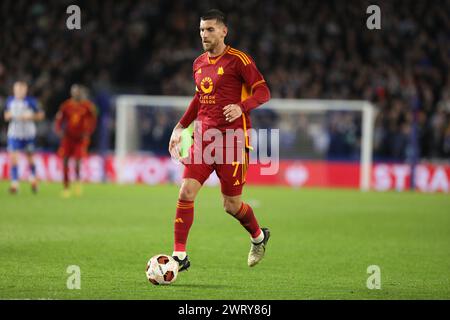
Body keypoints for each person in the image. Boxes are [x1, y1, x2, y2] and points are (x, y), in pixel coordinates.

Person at [168, 9, 271, 271]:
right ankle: (180, 257)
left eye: (210, 29)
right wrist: (180, 127)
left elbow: (263, 91)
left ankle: (259, 237)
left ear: (224, 31)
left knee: (231, 205)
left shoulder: (239, 60)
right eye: (202, 29)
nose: (204, 34)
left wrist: (242, 106)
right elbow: (198, 99)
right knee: (186, 191)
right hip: (203, 140)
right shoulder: (198, 63)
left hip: (233, 141)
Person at [55, 84, 97, 198]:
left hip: (80, 138)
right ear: (71, 93)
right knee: (65, 161)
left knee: (78, 162)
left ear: (80, 93)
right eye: (74, 92)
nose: (76, 94)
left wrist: (88, 132)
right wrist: (58, 130)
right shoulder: (66, 105)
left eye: (78, 92)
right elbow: (59, 119)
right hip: (68, 138)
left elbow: (93, 120)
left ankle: (78, 183)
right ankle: (66, 187)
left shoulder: (87, 106)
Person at [3, 81, 44, 194]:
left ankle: (33, 178)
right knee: (13, 159)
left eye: (22, 89)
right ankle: (15, 184)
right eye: (17, 89)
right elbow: (6, 115)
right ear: (14, 90)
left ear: (25, 90)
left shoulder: (31, 102)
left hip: (28, 134)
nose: (19, 91)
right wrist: (9, 116)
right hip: (14, 134)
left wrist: (31, 116)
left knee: (30, 158)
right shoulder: (10, 101)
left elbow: (41, 115)